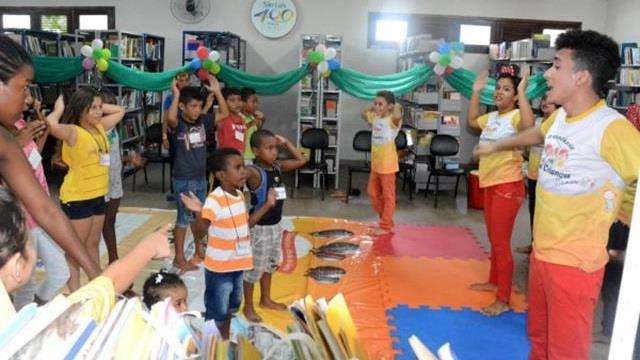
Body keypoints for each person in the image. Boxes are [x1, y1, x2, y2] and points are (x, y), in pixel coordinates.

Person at [474, 30, 640, 358]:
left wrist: (625, 214)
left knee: (565, 351)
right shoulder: (561, 117)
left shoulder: (613, 129)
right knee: (540, 340)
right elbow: (537, 133)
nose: (547, 73)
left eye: (556, 65)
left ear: (581, 76)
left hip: (575, 267)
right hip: (543, 255)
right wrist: (496, 144)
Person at [0, 33, 101, 282]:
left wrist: (95, 272)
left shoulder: (5, 141)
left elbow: (45, 209)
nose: (27, 99)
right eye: (23, 87)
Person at [0, 185, 172, 323]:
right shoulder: (24, 331)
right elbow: (96, 299)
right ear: (16, 267)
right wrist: (149, 247)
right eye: (29, 240)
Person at [467, 66, 534, 316]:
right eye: (498, 88)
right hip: (490, 184)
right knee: (494, 240)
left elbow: (529, 127)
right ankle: (494, 280)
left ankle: (503, 299)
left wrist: (522, 92)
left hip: (508, 186)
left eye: (506, 90)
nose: (499, 93)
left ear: (514, 96)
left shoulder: (516, 116)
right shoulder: (493, 117)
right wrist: (476, 91)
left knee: (501, 243)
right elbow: (472, 121)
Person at [47, 88, 126, 291]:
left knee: (92, 244)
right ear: (82, 110)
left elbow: (120, 110)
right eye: (93, 108)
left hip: (98, 194)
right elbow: (50, 125)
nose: (99, 112)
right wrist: (60, 108)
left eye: (100, 108)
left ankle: (95, 289)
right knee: (76, 249)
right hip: (78, 197)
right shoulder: (73, 131)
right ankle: (75, 294)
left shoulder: (99, 127)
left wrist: (96, 102)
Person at [180, 148, 253, 339]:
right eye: (238, 168)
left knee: (230, 308)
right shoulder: (215, 200)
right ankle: (212, 347)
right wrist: (198, 210)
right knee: (216, 313)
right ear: (221, 175)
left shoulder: (240, 195)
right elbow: (200, 232)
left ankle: (225, 340)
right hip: (220, 269)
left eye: (243, 166)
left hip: (238, 265)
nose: (244, 171)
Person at [10, 89, 69, 309]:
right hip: (24, 217)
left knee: (59, 271)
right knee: (26, 280)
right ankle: (22, 324)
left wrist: (41, 129)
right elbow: (14, 170)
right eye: (22, 91)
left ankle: (33, 310)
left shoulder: (19, 126)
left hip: (39, 213)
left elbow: (34, 155)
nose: (27, 98)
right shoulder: (9, 134)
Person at [242, 129, 306, 323]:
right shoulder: (254, 172)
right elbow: (238, 171)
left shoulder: (277, 167)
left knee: (270, 264)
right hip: (260, 228)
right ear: (256, 151)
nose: (274, 152)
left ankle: (265, 299)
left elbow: (301, 161)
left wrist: (285, 141)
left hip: (276, 225)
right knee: (254, 269)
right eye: (268, 148)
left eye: (275, 148)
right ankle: (249, 307)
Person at [165, 82, 214, 273]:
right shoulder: (178, 124)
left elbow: (224, 114)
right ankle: (179, 258)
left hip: (200, 176)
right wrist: (176, 93)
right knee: (183, 218)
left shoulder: (202, 122)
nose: (197, 110)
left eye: (199, 106)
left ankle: (199, 249)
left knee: (198, 216)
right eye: (193, 106)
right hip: (184, 178)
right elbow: (170, 118)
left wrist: (216, 92)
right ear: (182, 107)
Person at [101, 90, 145, 264]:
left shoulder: (112, 128)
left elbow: (113, 155)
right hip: (100, 183)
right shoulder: (100, 126)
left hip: (114, 181)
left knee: (110, 222)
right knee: (103, 224)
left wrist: (128, 159)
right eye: (109, 104)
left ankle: (113, 258)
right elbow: (121, 110)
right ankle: (113, 259)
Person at [516, 95, 558, 254]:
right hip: (534, 173)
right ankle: (533, 243)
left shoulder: (559, 122)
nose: (545, 103)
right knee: (533, 210)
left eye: (550, 101)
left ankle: (545, 246)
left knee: (547, 213)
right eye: (543, 100)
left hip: (549, 176)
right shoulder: (538, 121)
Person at [360, 90, 403, 232]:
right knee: (372, 193)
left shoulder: (392, 120)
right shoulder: (376, 117)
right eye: (376, 103)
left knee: (388, 196)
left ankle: (384, 226)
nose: (377, 106)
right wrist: (374, 106)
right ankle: (386, 220)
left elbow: (397, 115)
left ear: (390, 106)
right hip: (376, 165)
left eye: (381, 104)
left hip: (388, 166)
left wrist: (395, 105)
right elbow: (363, 113)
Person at [214, 86, 246, 154]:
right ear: (224, 102)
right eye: (232, 100)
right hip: (225, 158)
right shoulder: (222, 119)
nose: (237, 103)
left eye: (239, 100)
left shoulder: (242, 119)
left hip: (239, 157)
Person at [239, 87, 265, 163]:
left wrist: (262, 120)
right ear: (243, 103)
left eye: (256, 102)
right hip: (243, 156)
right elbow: (240, 130)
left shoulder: (251, 116)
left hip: (251, 155)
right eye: (253, 102)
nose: (256, 105)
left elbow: (256, 132)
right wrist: (253, 121)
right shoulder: (238, 116)